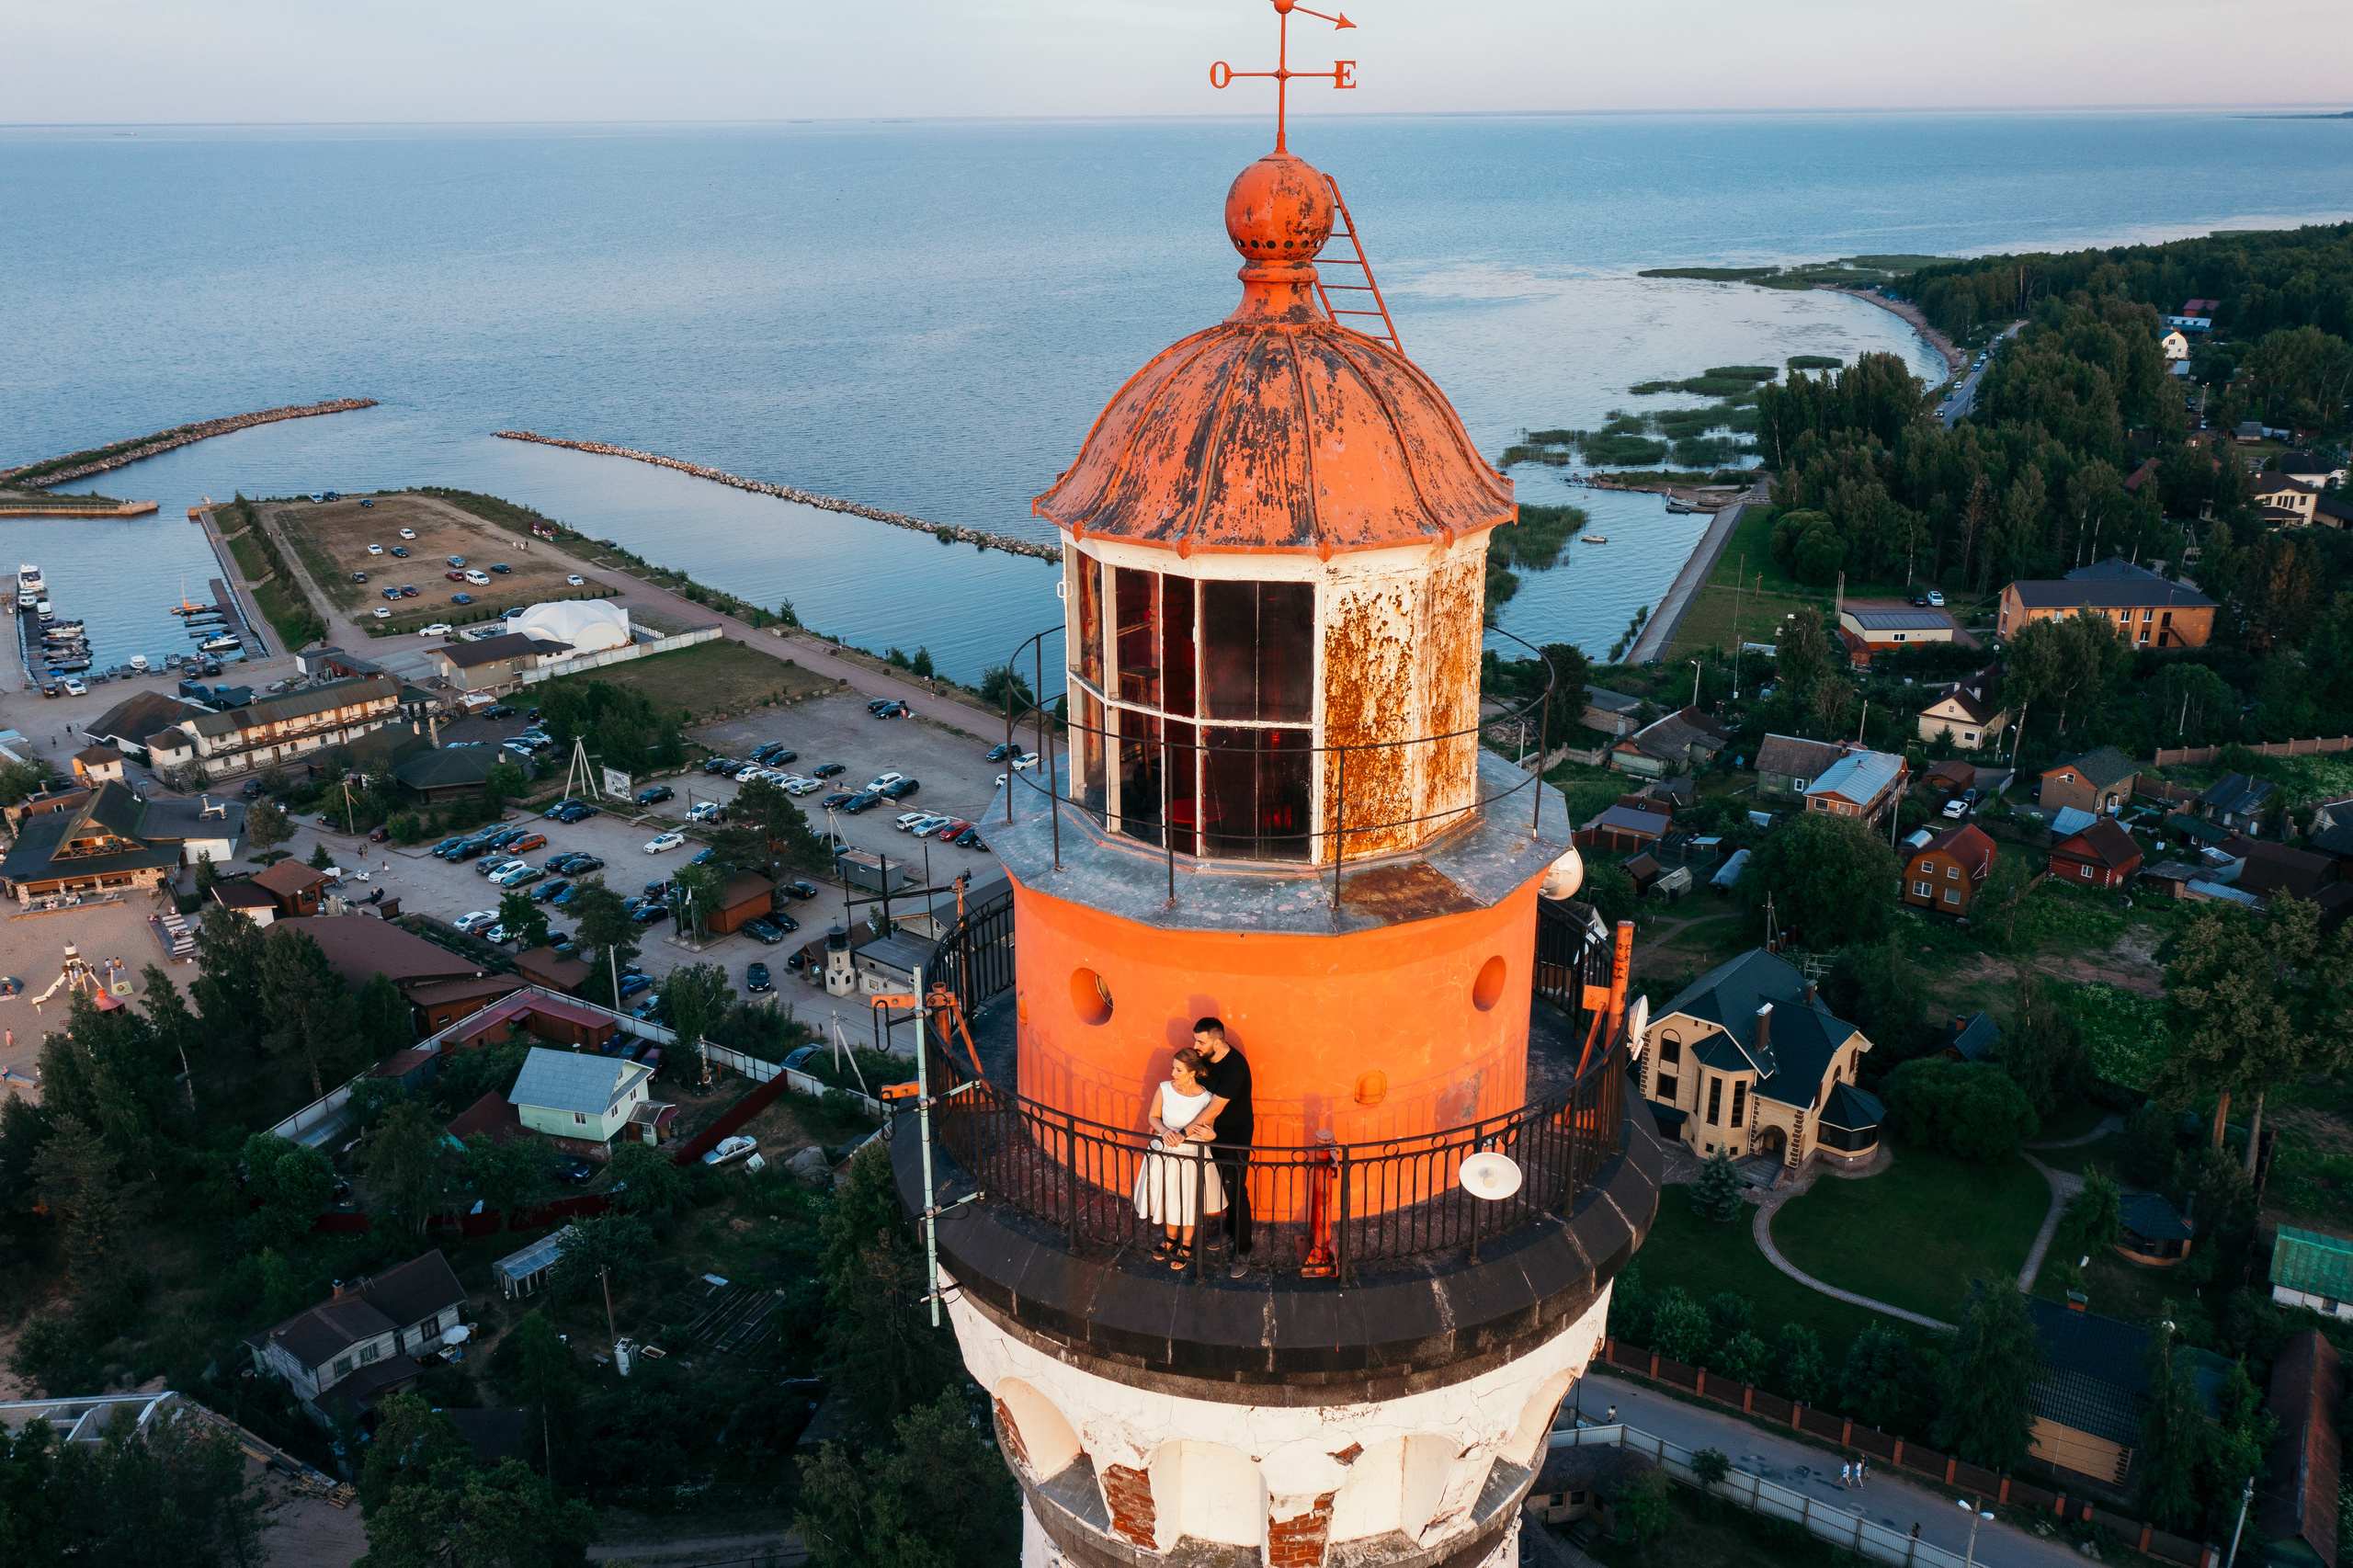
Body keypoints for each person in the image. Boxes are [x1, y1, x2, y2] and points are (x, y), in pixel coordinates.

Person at [1132, 1047, 1223, 1270]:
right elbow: (1152, 1117)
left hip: (1191, 1155)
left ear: (1192, 1073)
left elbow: (1209, 1129)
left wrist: (1213, 1135)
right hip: (1164, 1152)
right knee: (1169, 1196)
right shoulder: (1164, 1088)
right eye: (1173, 1068)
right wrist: (1164, 1131)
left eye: (1178, 1070)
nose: (1173, 1073)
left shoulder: (1206, 1098)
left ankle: (1186, 1243)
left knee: (1187, 1199)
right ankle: (1171, 1239)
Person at [1184, 1017, 1253, 1278]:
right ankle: (1230, 1231)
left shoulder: (1234, 1067)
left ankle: (1244, 1248)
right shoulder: (1204, 1058)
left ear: (1218, 1041)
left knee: (1235, 1189)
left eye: (1201, 1041)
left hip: (1234, 1136)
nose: (1196, 1046)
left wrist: (1183, 1133)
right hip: (1209, 1133)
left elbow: (1215, 1107)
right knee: (1221, 1186)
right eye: (1195, 1039)